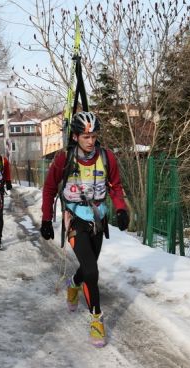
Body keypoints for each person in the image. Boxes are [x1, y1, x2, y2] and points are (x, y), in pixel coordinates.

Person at [40, 111, 129, 347]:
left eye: (94, 136)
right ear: (76, 136)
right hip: (75, 217)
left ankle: (73, 283)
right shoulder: (64, 158)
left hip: (98, 218)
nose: (90, 141)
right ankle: (97, 320)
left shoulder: (107, 157)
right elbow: (49, 188)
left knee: (89, 268)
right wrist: (46, 219)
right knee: (91, 271)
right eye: (86, 136)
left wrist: (121, 209)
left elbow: (116, 187)